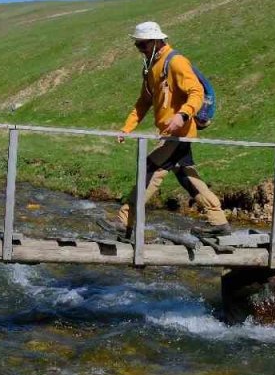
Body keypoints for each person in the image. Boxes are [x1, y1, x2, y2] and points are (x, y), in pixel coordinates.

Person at [97, 21, 231, 239]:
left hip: (179, 133)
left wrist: (182, 115)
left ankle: (125, 221)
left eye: (143, 45)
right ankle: (219, 222)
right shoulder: (150, 68)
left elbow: (196, 91)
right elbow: (144, 102)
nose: (140, 49)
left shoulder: (176, 62)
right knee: (187, 176)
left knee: (150, 168)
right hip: (170, 134)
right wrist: (127, 128)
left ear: (157, 41)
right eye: (137, 45)